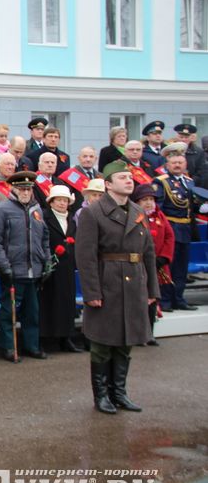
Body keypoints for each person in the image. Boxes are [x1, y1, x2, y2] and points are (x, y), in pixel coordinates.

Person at [76, 162, 158, 414]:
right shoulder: (94, 212)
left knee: (126, 341)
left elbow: (149, 254)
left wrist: (152, 290)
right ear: (108, 184)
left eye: (130, 177)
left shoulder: (136, 211)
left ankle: (119, 392)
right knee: (103, 343)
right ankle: (101, 395)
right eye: (122, 177)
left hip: (134, 282)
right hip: (107, 280)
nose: (129, 181)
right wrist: (91, 292)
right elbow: (85, 256)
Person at [0, 171, 50, 362]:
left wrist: (46, 260)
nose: (25, 192)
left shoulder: (37, 210)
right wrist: (3, 265)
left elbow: (44, 238)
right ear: (13, 189)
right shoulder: (1, 209)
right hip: (13, 269)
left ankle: (31, 345)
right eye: (22, 189)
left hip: (34, 269)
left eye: (28, 189)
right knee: (9, 311)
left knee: (32, 312)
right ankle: (8, 346)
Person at [153, 144, 198, 311]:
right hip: (170, 228)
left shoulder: (189, 182)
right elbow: (159, 208)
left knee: (182, 267)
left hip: (185, 229)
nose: (177, 165)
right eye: (174, 163)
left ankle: (179, 298)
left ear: (185, 164)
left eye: (180, 162)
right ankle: (165, 300)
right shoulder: (161, 182)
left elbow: (192, 206)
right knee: (167, 267)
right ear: (167, 164)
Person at [39, 185, 81, 353]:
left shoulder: (71, 219)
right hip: (50, 266)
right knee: (47, 302)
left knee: (66, 303)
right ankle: (43, 338)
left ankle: (66, 337)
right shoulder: (44, 217)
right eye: (59, 200)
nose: (62, 203)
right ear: (51, 202)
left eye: (65, 200)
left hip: (68, 267)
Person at [133, 183, 173, 346]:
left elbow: (169, 237)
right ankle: (137, 334)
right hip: (138, 264)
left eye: (151, 199)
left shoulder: (160, 216)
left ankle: (150, 333)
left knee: (151, 300)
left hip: (156, 265)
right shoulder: (134, 217)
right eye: (144, 200)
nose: (148, 203)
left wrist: (163, 257)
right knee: (137, 300)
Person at [174, 123, 208, 189]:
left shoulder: (199, 152)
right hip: (172, 184)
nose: (183, 139)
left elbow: (201, 172)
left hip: (192, 185)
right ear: (177, 137)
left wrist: (190, 181)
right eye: (181, 137)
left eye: (186, 137)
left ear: (191, 138)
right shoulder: (170, 150)